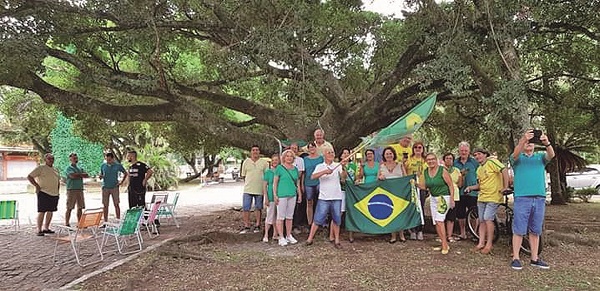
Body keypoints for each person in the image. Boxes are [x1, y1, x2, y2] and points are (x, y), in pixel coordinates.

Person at [509, 130, 555, 270]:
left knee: (535, 230)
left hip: (539, 198)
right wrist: (523, 140)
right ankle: (515, 258)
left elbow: (551, 155)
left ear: (535, 145)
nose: (528, 144)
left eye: (531, 142)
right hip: (522, 198)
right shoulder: (517, 158)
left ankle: (534, 258)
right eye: (526, 143)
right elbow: (514, 154)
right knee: (519, 229)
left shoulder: (540, 157)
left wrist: (546, 142)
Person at [466, 148, 509, 254]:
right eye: (475, 155)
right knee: (481, 220)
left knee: (488, 218)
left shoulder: (492, 161)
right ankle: (481, 243)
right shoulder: (479, 169)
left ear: (485, 154)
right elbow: (481, 185)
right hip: (482, 197)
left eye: (479, 154)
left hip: (494, 196)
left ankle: (489, 244)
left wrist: (505, 186)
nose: (477, 157)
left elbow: (504, 170)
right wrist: (471, 188)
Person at [306, 149, 347, 248]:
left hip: (336, 196)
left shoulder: (338, 165)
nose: (331, 154)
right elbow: (312, 177)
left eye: (332, 152)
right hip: (324, 197)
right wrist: (325, 171)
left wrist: (344, 167)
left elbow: (343, 178)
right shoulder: (320, 166)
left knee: (337, 219)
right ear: (324, 155)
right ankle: (310, 239)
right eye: (329, 152)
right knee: (317, 219)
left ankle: (337, 240)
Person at [420, 153, 455, 255]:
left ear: (436, 160)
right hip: (433, 198)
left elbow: (450, 185)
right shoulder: (426, 172)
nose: (430, 161)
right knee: (436, 222)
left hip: (443, 197)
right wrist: (415, 184)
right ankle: (443, 243)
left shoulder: (442, 170)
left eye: (432, 159)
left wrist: (452, 199)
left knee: (440, 220)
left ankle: (445, 244)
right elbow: (425, 186)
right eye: (428, 160)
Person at [273, 149, 303, 246]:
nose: (289, 158)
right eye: (287, 156)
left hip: (292, 194)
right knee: (280, 217)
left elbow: (297, 182)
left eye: (291, 156)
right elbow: (275, 183)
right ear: (284, 158)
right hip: (282, 195)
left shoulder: (295, 169)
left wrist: (299, 194)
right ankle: (281, 236)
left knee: (290, 216)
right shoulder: (279, 168)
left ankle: (289, 235)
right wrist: (275, 195)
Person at [378, 146, 407, 243]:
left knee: (400, 213)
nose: (389, 155)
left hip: (399, 192)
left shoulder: (400, 165)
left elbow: (405, 178)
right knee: (391, 213)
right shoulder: (381, 166)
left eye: (390, 153)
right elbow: (378, 178)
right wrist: (380, 177)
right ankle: (393, 235)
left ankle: (402, 234)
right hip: (387, 192)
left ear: (393, 154)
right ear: (384, 156)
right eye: (387, 154)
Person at [27, 153, 60, 236]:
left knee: (51, 211)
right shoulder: (41, 168)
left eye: (52, 158)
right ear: (45, 159)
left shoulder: (56, 169)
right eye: (49, 158)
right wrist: (36, 186)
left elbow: (57, 180)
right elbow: (30, 176)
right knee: (42, 211)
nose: (51, 160)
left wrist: (58, 191)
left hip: (54, 193)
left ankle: (46, 228)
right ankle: (39, 229)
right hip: (43, 192)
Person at [240, 145, 269, 234]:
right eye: (253, 150)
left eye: (257, 150)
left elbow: (267, 176)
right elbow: (243, 175)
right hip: (248, 189)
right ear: (251, 152)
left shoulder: (264, 163)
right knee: (246, 207)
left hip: (260, 189)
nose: (255, 152)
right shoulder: (246, 162)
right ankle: (246, 226)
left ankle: (258, 225)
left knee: (258, 208)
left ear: (259, 152)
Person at [453, 141, 479, 241]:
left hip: (473, 192)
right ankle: (462, 233)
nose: (463, 152)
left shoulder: (474, 162)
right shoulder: (455, 162)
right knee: (460, 213)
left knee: (474, 213)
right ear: (459, 151)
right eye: (462, 150)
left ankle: (474, 233)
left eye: (465, 150)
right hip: (459, 192)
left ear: (469, 151)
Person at [405, 141, 426, 240]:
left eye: (420, 147)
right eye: (416, 147)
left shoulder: (425, 161)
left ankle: (420, 230)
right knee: (413, 208)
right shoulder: (409, 160)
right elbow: (404, 171)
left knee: (420, 208)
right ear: (413, 149)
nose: (418, 149)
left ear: (423, 149)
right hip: (412, 188)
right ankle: (412, 230)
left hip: (421, 187)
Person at [99, 152, 128, 223]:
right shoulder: (103, 165)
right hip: (105, 187)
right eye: (106, 160)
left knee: (116, 204)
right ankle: (105, 222)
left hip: (114, 187)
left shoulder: (118, 165)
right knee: (105, 205)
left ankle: (118, 220)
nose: (108, 161)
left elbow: (125, 173)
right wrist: (101, 176)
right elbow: (101, 175)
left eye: (109, 160)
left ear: (113, 159)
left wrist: (121, 182)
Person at [302, 142, 324, 227]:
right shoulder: (305, 159)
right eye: (310, 147)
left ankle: (319, 221)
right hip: (308, 182)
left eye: (313, 147)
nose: (312, 149)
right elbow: (303, 172)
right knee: (309, 201)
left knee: (320, 201)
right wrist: (302, 184)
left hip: (319, 182)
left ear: (316, 148)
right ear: (308, 149)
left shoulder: (321, 158)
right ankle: (310, 222)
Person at [443, 153, 463, 242]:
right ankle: (442, 235)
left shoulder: (457, 170)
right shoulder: (441, 170)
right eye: (447, 158)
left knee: (451, 217)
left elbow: (460, 184)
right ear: (444, 160)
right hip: (443, 195)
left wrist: (462, 176)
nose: (449, 160)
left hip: (455, 195)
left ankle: (449, 235)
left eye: (451, 158)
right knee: (441, 216)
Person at [64, 153, 89, 226]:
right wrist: (81, 175)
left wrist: (77, 174)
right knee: (69, 207)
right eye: (74, 158)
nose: (75, 159)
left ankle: (80, 223)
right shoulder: (69, 168)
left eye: (76, 158)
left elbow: (86, 175)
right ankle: (67, 223)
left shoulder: (79, 168)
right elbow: (72, 176)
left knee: (80, 207)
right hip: (71, 189)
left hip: (80, 189)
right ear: (70, 159)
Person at [262, 154, 280, 243]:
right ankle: (266, 234)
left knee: (277, 216)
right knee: (270, 215)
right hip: (271, 196)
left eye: (276, 160)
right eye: (273, 160)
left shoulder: (281, 171)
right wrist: (266, 197)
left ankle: (275, 234)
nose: (275, 162)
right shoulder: (268, 172)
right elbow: (264, 186)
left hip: (280, 196)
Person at [290, 142, 306, 233]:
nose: (293, 150)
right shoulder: (285, 158)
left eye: (295, 148)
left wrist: (301, 185)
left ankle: (296, 224)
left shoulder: (300, 160)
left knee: (297, 205)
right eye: (292, 148)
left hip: (297, 183)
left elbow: (301, 174)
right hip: (286, 184)